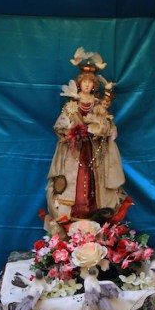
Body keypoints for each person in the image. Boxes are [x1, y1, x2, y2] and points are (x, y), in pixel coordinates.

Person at [45, 49, 127, 232]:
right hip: (74, 149)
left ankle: (95, 213)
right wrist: (72, 131)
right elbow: (60, 125)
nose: (87, 85)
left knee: (93, 179)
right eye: (85, 82)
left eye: (91, 83)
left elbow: (107, 124)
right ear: (79, 83)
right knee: (74, 178)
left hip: (94, 149)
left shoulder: (98, 104)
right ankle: (72, 216)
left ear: (94, 85)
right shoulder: (71, 103)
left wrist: (101, 128)